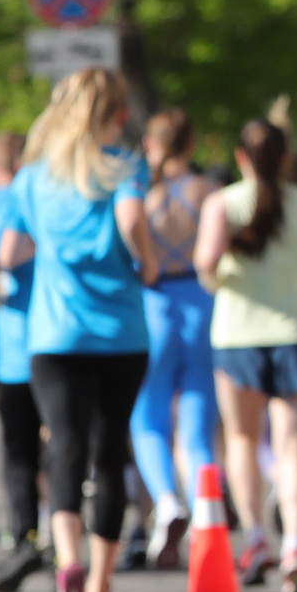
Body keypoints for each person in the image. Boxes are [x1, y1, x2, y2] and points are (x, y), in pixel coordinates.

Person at [0, 67, 156, 592]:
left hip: (53, 335)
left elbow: (9, 251)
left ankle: (66, 561)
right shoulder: (126, 166)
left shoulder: (32, 178)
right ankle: (100, 585)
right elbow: (131, 219)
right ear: (119, 115)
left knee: (63, 447)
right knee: (109, 454)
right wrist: (147, 262)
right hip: (119, 333)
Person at [197, 119, 297, 592]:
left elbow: (206, 263)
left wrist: (219, 280)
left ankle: (256, 539)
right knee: (296, 450)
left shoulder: (223, 204)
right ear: (284, 158)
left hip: (238, 335)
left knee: (242, 439)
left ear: (241, 157)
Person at [129, 109, 218, 568]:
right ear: (192, 144)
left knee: (148, 416)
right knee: (198, 420)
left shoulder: (140, 192)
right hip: (202, 302)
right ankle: (206, 512)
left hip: (153, 302)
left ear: (151, 144)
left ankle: (166, 502)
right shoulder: (208, 191)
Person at [0, 133, 50, 592]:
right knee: (61, 443)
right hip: (67, 336)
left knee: (19, 451)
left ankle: (26, 537)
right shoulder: (58, 193)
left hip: (18, 344)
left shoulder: (0, 204)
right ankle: (63, 538)